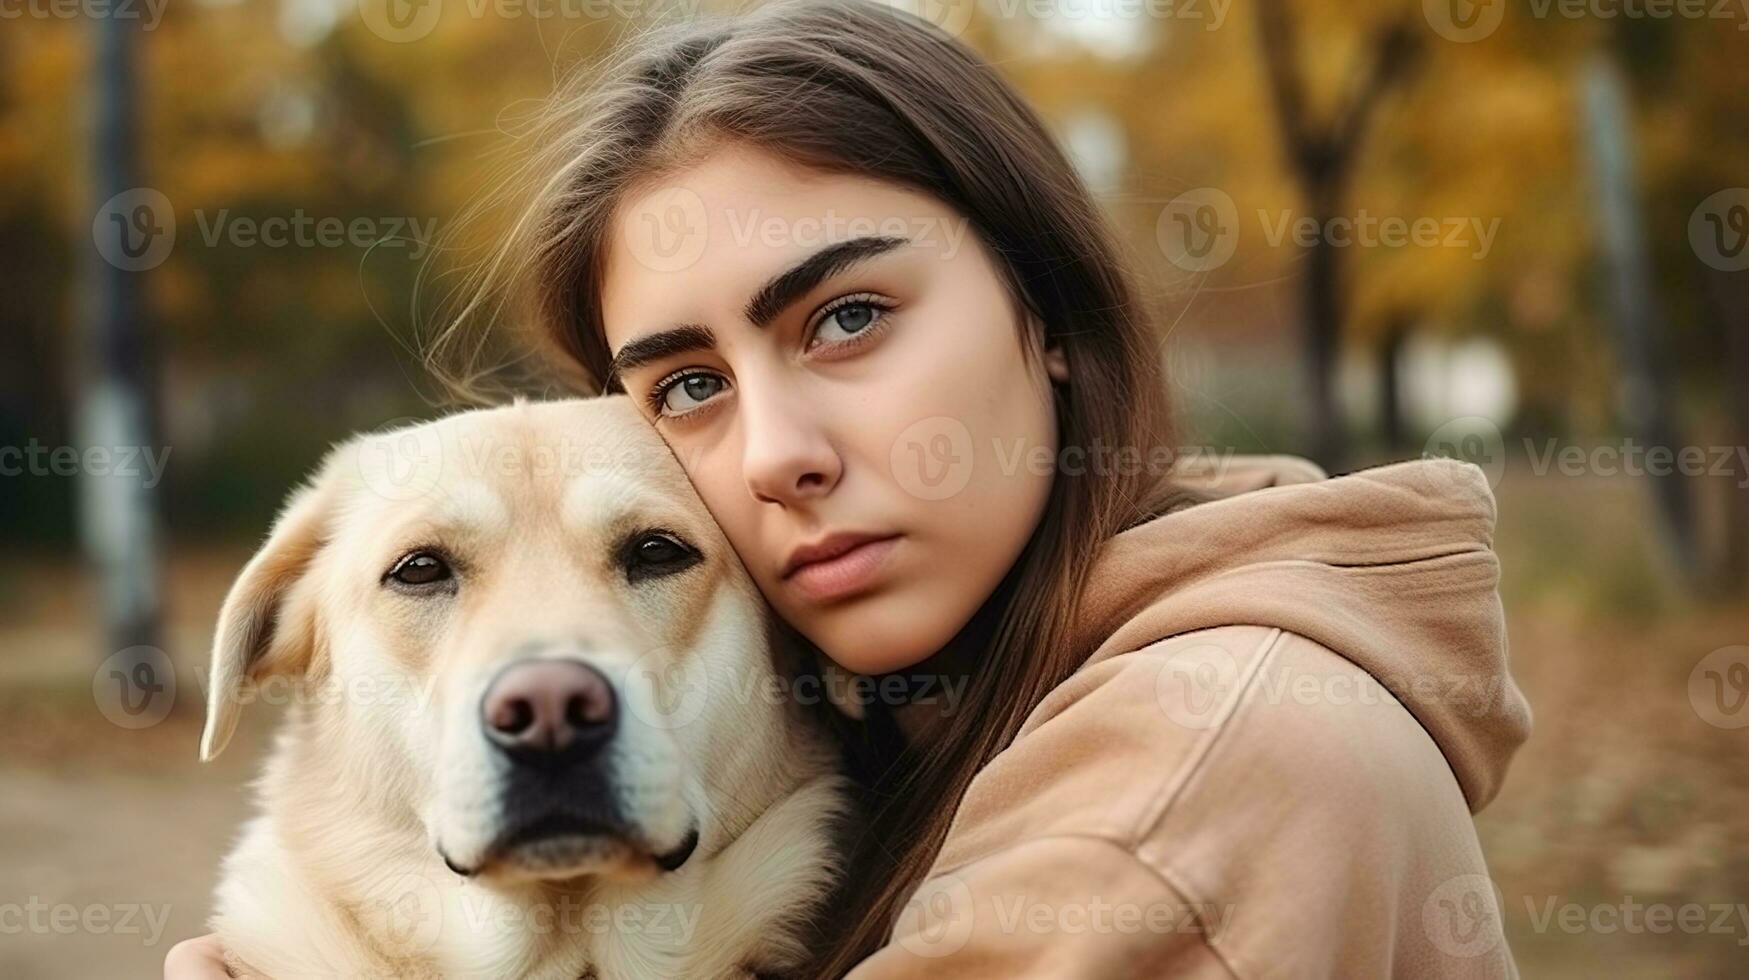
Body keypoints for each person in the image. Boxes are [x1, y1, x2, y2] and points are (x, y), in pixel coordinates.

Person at [168, 1, 1531, 976]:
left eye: (845, 317)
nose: (773, 455)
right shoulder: (951, 709)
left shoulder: (1198, 770)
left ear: (1045, 308)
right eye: (688, 386)